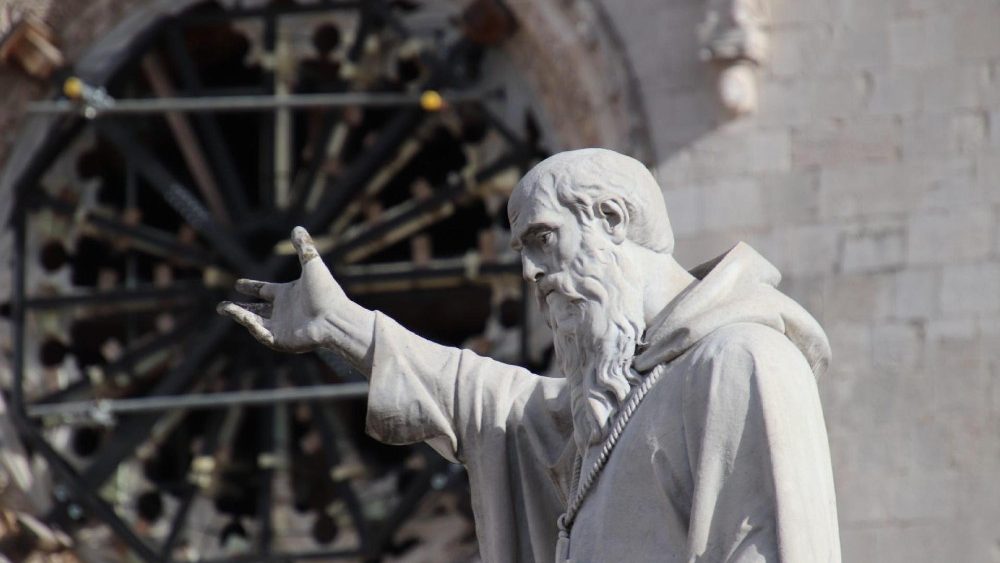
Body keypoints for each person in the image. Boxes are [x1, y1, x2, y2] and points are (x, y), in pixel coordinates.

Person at [218, 149, 841, 563]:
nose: (528, 271)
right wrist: (345, 325)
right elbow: (495, 404)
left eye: (543, 240)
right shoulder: (618, 400)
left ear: (612, 219)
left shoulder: (740, 358)